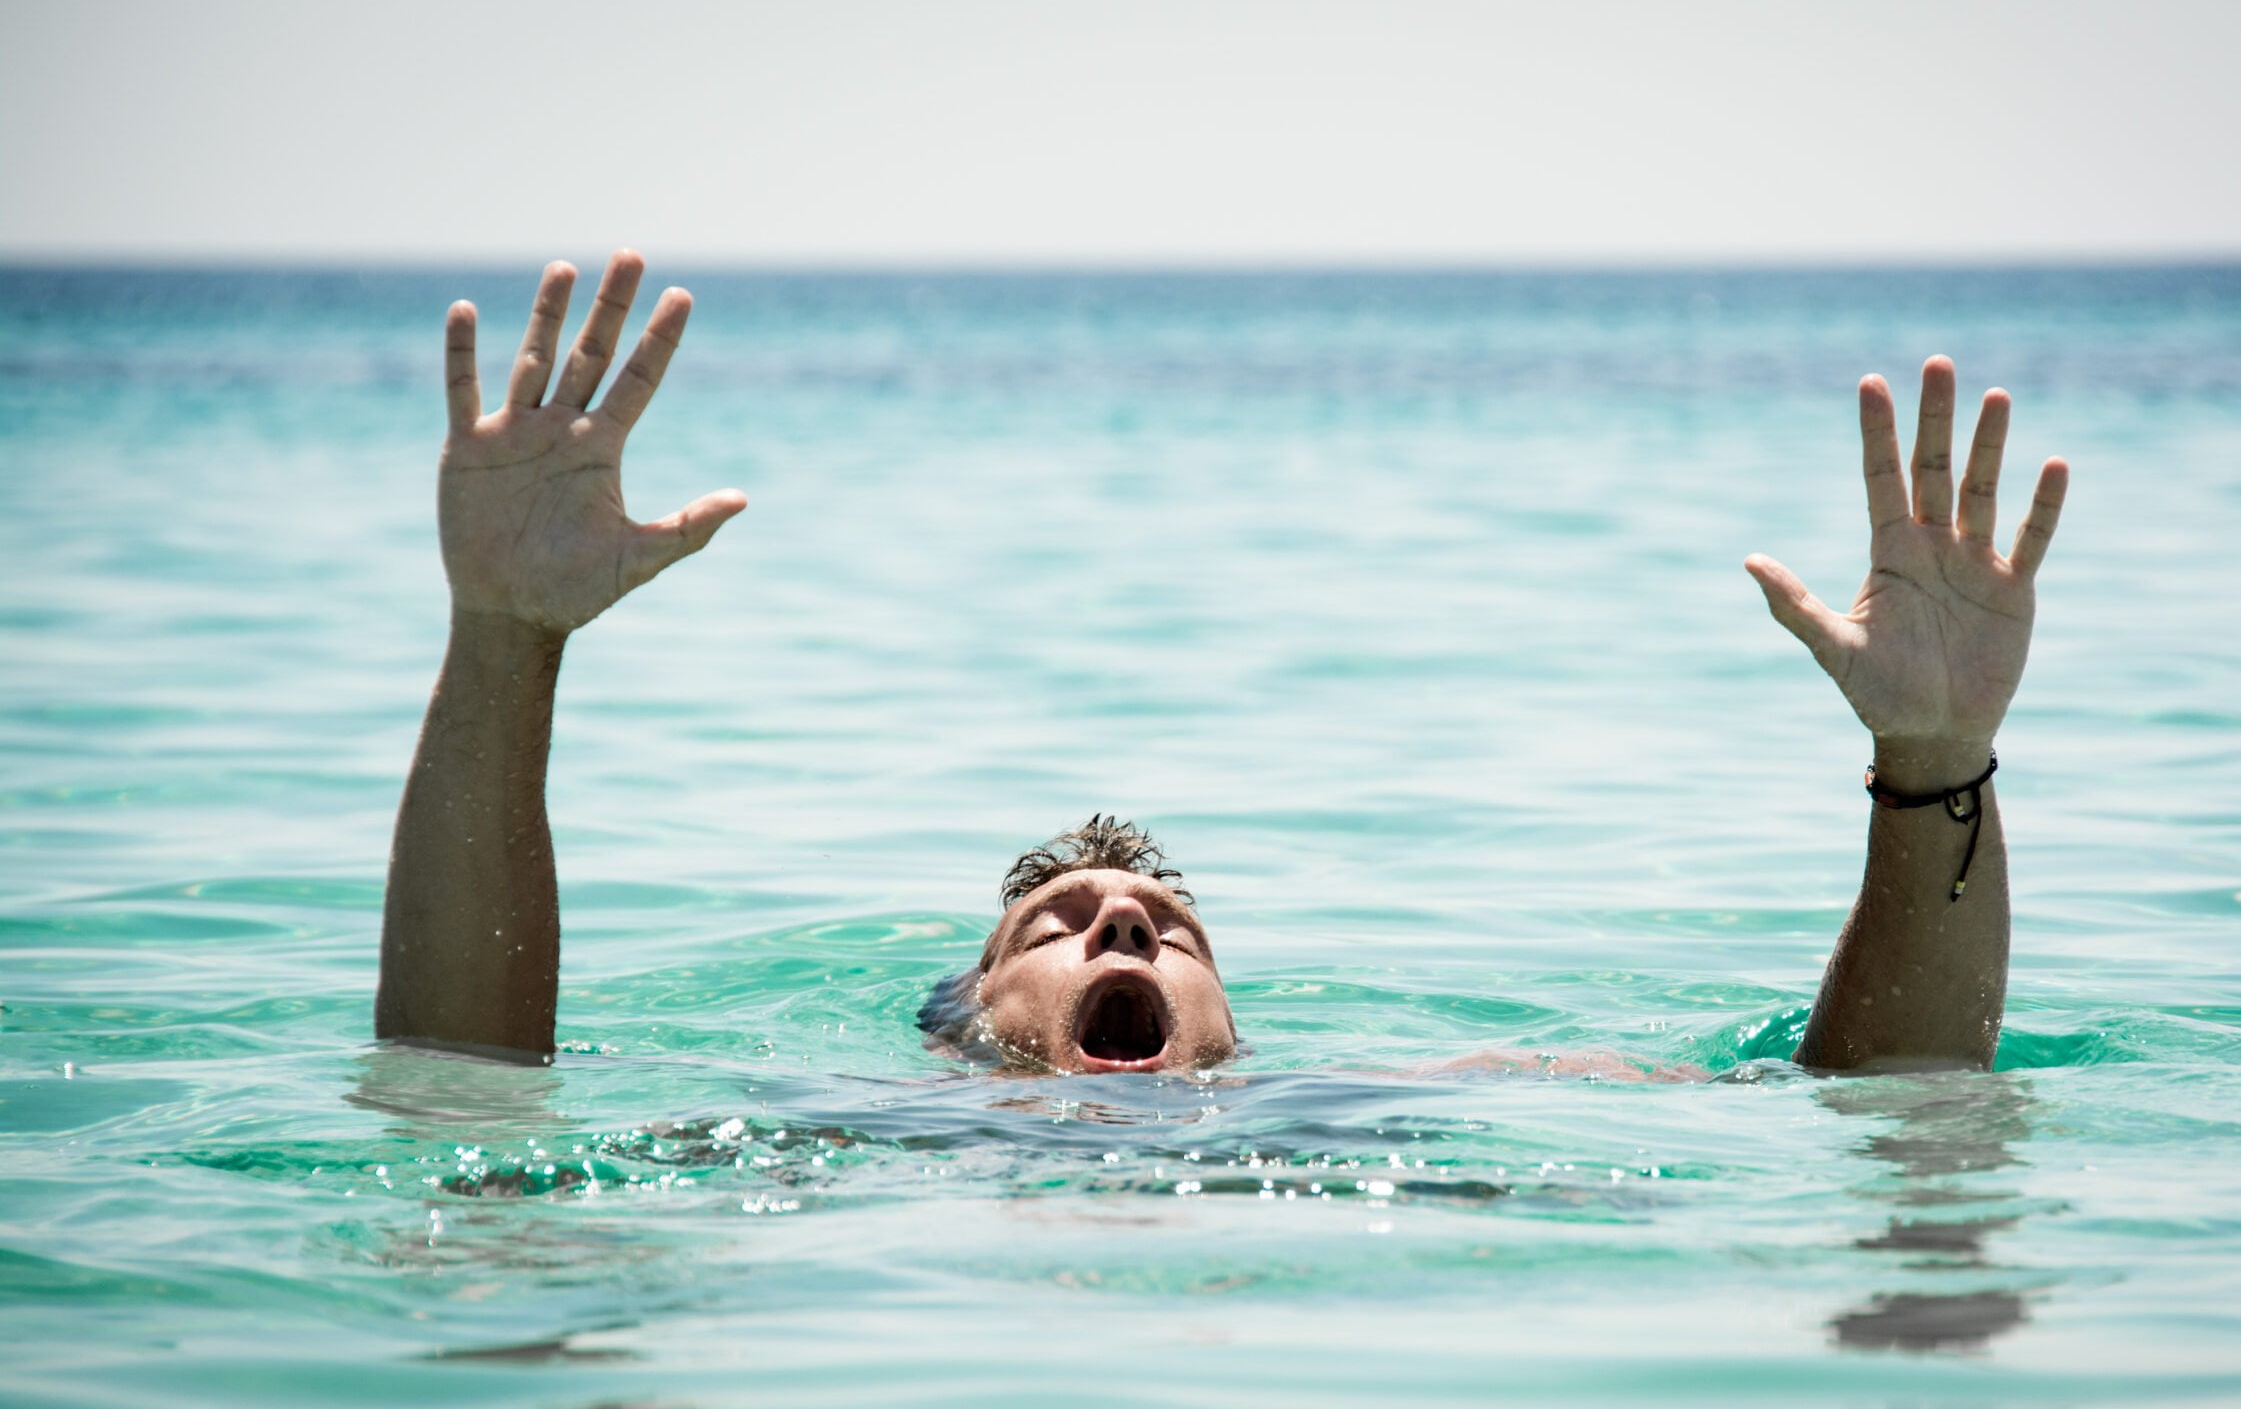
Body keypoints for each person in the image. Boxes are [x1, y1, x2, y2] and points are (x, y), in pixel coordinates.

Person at [374, 253, 2070, 1077]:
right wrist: (504, 643)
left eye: (1167, 931)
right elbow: (464, 1111)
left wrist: (1934, 768)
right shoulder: (841, 1162)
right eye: (1063, 927)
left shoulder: (1377, 1128)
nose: (1125, 922)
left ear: (1233, 1031)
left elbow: (1896, 1113)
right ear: (961, 1024)